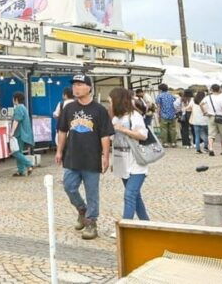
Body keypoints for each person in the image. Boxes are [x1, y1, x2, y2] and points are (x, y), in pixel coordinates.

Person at [55, 74, 113, 240]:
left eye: (80, 84)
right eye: (74, 85)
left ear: (89, 88)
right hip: (72, 155)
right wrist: (59, 151)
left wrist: (105, 156)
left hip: (92, 157)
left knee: (92, 192)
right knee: (69, 186)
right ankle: (82, 209)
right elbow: (62, 131)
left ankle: (91, 222)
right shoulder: (68, 108)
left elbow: (105, 135)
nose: (76, 88)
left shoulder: (99, 110)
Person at [110, 87, 151, 229]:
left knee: (129, 195)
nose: (109, 104)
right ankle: (146, 223)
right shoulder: (116, 118)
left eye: (111, 101)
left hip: (137, 161)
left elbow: (143, 135)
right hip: (122, 161)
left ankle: (124, 228)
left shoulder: (134, 116)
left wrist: (124, 130)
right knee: (135, 196)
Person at [10, 92, 35, 177]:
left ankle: (29, 164)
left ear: (16, 99)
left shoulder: (18, 108)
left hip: (20, 134)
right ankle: (21, 170)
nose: (12, 100)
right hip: (24, 133)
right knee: (18, 152)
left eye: (13, 98)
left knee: (16, 152)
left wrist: (12, 132)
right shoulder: (24, 108)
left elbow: (16, 121)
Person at [202, 84, 222, 156]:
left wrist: (204, 112)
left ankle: (211, 148)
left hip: (211, 116)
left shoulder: (208, 97)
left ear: (211, 89)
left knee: (211, 134)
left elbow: (201, 104)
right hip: (221, 117)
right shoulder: (221, 97)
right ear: (219, 89)